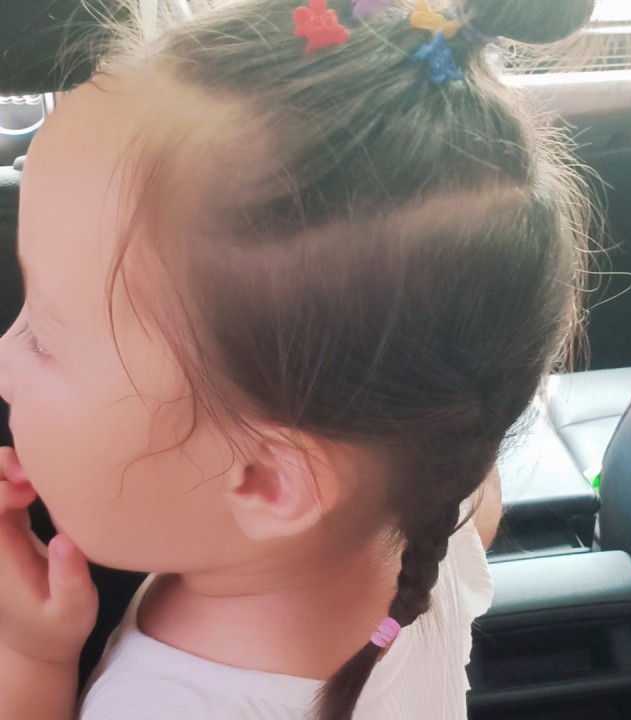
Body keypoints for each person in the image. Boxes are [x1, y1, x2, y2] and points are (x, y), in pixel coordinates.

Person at [0, 0, 595, 717]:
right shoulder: (434, 521)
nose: (3, 358)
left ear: (267, 480)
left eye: (41, 338)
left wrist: (33, 653)